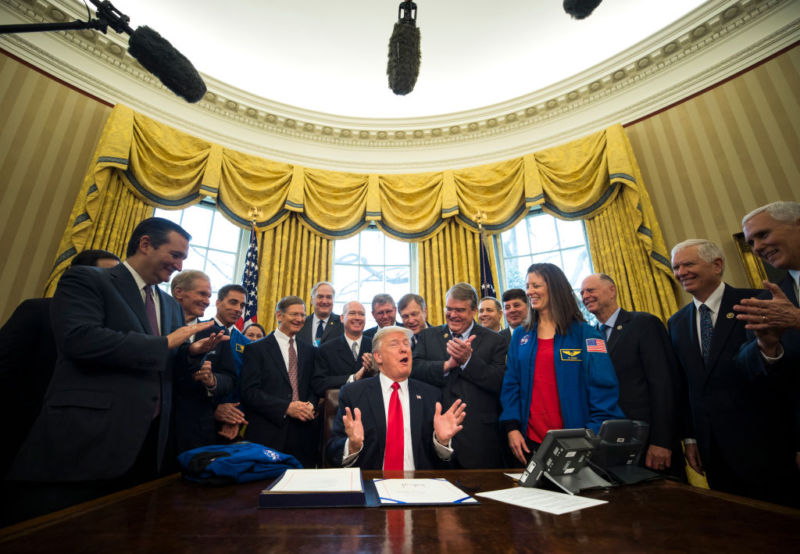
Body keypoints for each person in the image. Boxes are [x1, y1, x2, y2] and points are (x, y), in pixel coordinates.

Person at [4, 218, 225, 523]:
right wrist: (163, 343)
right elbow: (79, 340)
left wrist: (189, 353)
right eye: (175, 255)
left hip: (149, 446)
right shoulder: (88, 280)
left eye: (183, 258)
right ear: (145, 244)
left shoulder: (169, 305)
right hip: (86, 442)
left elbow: (167, 363)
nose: (178, 265)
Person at [668, 238, 795, 505]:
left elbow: (779, 370)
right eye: (676, 267)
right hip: (712, 449)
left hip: (764, 442)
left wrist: (766, 346)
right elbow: (685, 384)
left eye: (688, 264)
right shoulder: (677, 322)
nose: (681, 272)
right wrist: (690, 438)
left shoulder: (757, 302)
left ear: (717, 265)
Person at [0, 249, 120, 478]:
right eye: (105, 276)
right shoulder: (36, 310)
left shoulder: (111, 327)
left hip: (75, 434)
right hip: (22, 424)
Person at [500, 263, 623, 466]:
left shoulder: (587, 334)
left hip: (576, 443)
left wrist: (588, 436)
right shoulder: (521, 335)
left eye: (536, 286)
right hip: (529, 442)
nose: (529, 292)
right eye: (527, 286)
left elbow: (604, 389)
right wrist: (511, 427)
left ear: (555, 287)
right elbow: (511, 385)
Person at [580, 273, 681, 475]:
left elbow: (663, 384)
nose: (585, 296)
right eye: (582, 292)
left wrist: (661, 441)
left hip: (648, 441)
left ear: (612, 290)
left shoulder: (643, 324)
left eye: (591, 290)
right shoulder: (589, 336)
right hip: (610, 441)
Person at [326, 326, 466, 470]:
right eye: (395, 344)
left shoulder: (431, 395)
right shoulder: (353, 394)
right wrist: (352, 445)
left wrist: (441, 442)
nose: (404, 349)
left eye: (406, 344)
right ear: (378, 356)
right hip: (372, 482)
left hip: (419, 484)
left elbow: (444, 460)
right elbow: (332, 452)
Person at [412, 283, 508, 468]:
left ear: (473, 311)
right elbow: (414, 369)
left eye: (460, 310)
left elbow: (499, 381)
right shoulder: (427, 336)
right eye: (449, 309)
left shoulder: (495, 340)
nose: (453, 315)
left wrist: (468, 361)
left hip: (479, 437)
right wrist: (447, 365)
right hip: (432, 434)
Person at [736, 201, 800, 478]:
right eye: (751, 242)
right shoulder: (772, 299)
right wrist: (767, 346)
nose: (758, 247)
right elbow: (748, 369)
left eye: (763, 235)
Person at [241, 296, 319, 468]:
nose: (299, 319)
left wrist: (311, 405)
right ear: (279, 315)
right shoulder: (256, 349)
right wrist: (286, 407)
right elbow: (249, 392)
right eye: (294, 314)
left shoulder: (310, 351)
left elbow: (314, 386)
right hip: (268, 433)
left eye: (302, 315)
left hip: (303, 434)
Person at [173, 284, 243, 454]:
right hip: (176, 417)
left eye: (242, 305)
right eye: (233, 302)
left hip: (214, 426)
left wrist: (235, 417)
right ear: (218, 302)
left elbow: (237, 382)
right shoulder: (197, 329)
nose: (238, 309)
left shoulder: (247, 343)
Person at [311, 301, 374, 396]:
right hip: (339, 406)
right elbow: (319, 383)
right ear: (342, 318)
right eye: (352, 313)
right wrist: (353, 378)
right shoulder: (326, 349)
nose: (357, 317)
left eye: (361, 314)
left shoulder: (375, 346)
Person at [298, 281, 343, 346]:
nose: (324, 301)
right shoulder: (301, 323)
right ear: (312, 300)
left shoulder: (342, 324)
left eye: (328, 297)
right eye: (320, 297)